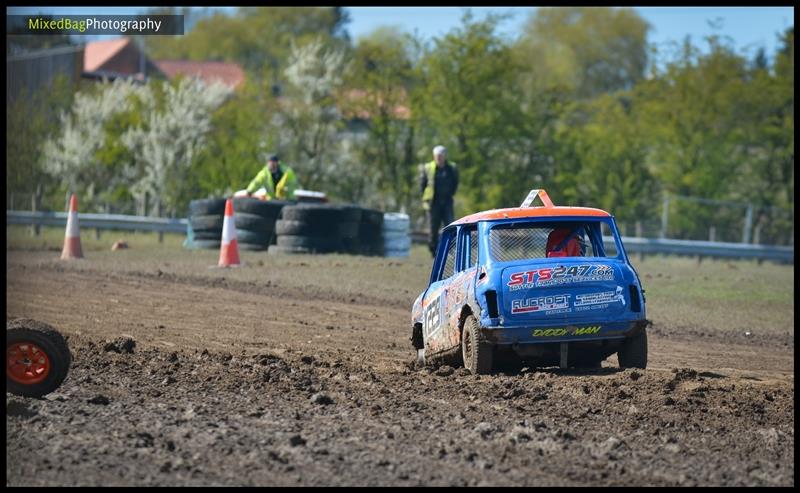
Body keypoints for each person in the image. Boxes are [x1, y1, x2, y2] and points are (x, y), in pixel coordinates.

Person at [420, 145, 458, 256]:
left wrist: (450, 193)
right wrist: (426, 199)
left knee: (450, 226)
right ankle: (434, 252)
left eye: (441, 156)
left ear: (445, 156)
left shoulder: (451, 168)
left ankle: (450, 251)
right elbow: (422, 185)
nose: (439, 158)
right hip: (433, 203)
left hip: (447, 202)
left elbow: (455, 182)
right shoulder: (428, 168)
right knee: (433, 228)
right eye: (437, 156)